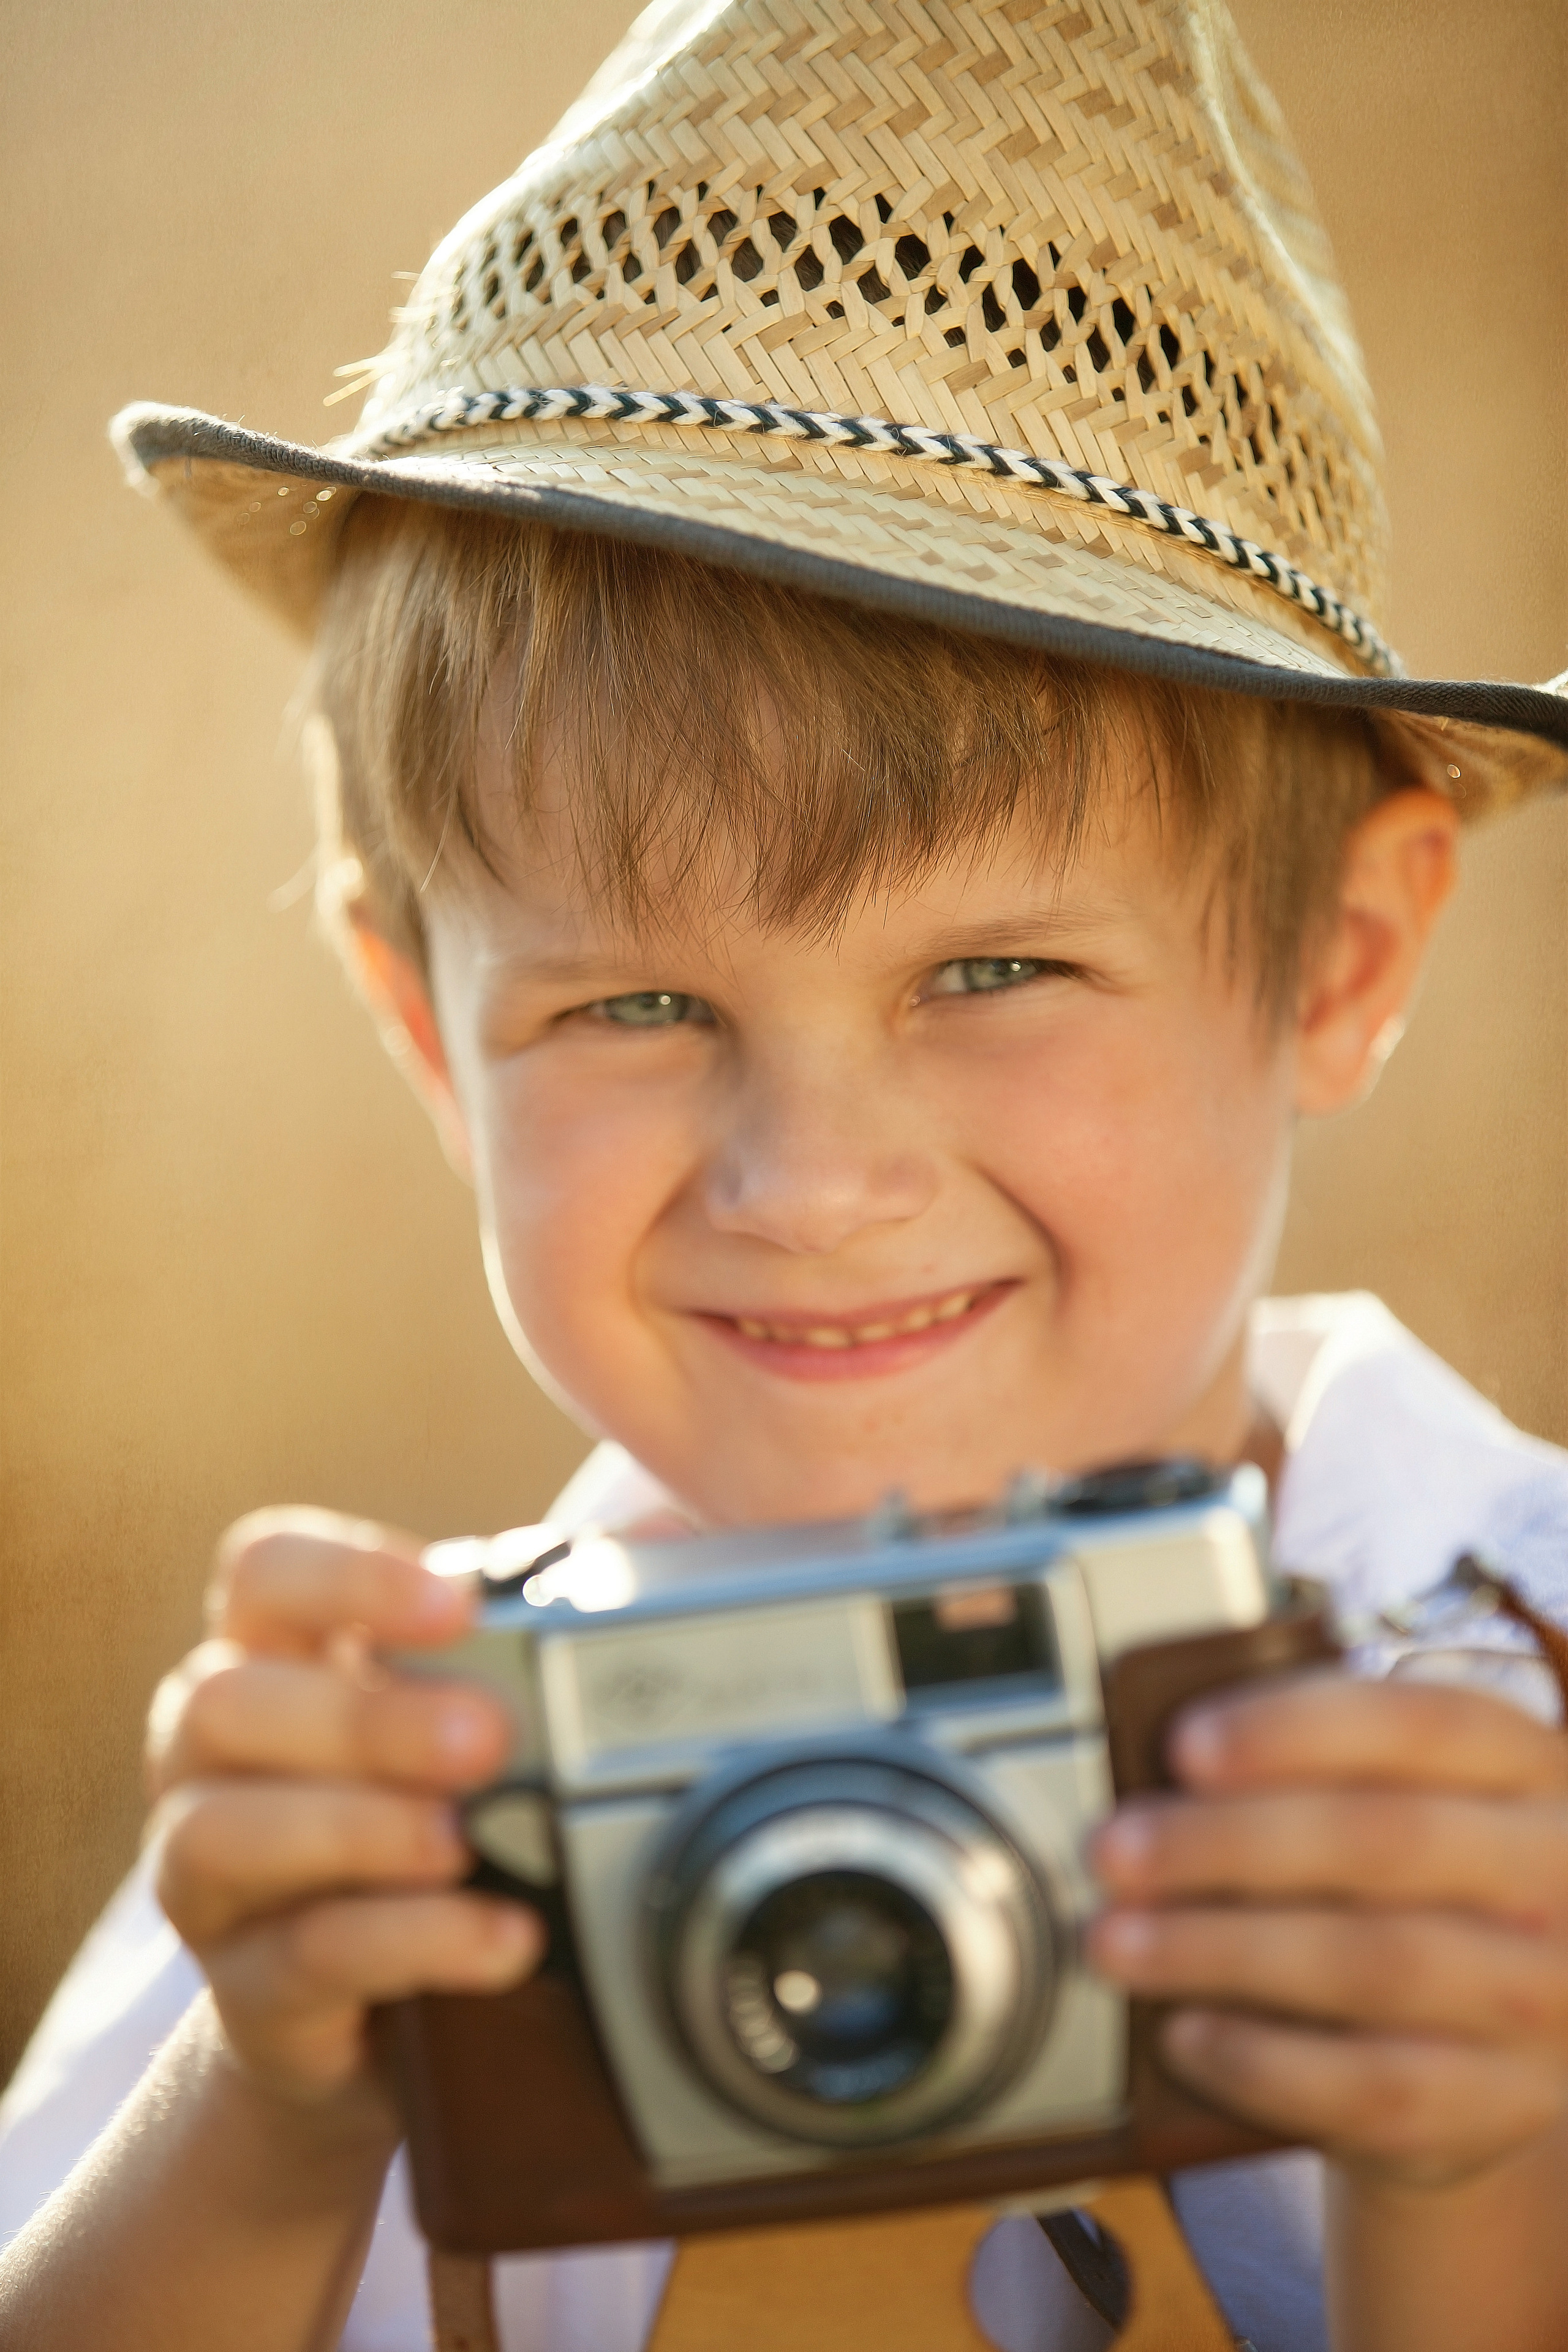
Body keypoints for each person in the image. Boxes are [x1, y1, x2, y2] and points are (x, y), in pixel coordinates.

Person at [3, 1, 1567, 2346]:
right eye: (631, 1007)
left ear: (1334, 964)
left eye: (1000, 968)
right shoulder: (398, 1780)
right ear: (430, 1031)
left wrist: (1481, 2170)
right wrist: (271, 2097)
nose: (811, 1182)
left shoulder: (1526, 1690)